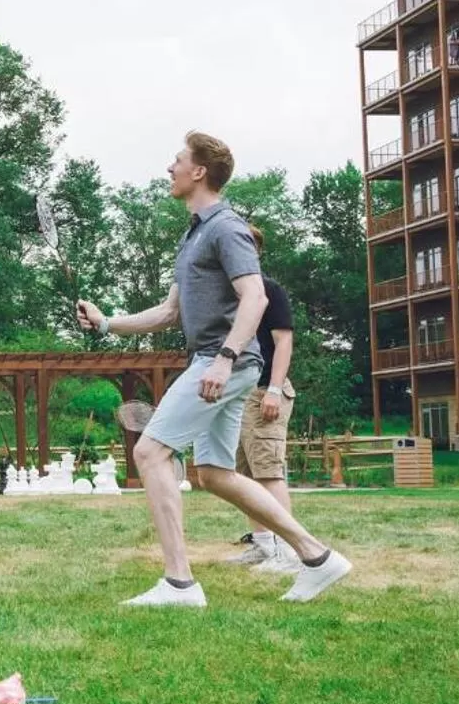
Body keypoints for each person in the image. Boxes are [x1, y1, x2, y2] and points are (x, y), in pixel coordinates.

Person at [76, 131, 351, 607]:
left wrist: (224, 361)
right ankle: (318, 557)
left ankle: (179, 583)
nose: (170, 168)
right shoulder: (194, 235)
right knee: (213, 473)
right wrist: (106, 324)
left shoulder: (226, 227)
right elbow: (168, 313)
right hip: (216, 362)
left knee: (149, 453)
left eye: (178, 160)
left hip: (223, 363)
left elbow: (256, 297)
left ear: (199, 171)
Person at [227, 224, 302, 574]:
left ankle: (289, 551)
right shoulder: (230, 295)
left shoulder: (269, 291)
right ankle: (262, 545)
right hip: (240, 395)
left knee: (269, 473)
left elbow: (283, 342)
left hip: (265, 394)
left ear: (254, 251)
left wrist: (273, 389)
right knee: (245, 475)